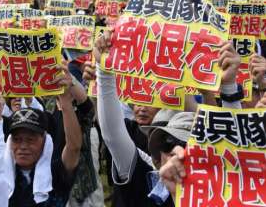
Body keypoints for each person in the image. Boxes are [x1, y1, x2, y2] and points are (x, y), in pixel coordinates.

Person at [82, 29, 242, 206]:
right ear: (157, 158)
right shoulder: (145, 177)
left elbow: (232, 145)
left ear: (210, 156)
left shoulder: (221, 189)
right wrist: (104, 69)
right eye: (166, 144)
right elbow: (113, 134)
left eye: (188, 147)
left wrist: (228, 85)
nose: (177, 153)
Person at [0, 63, 84, 207]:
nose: (23, 146)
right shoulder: (1, 176)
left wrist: (65, 101)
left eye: (30, 140)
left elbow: (74, 147)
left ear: (44, 142)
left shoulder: (55, 174)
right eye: (17, 139)